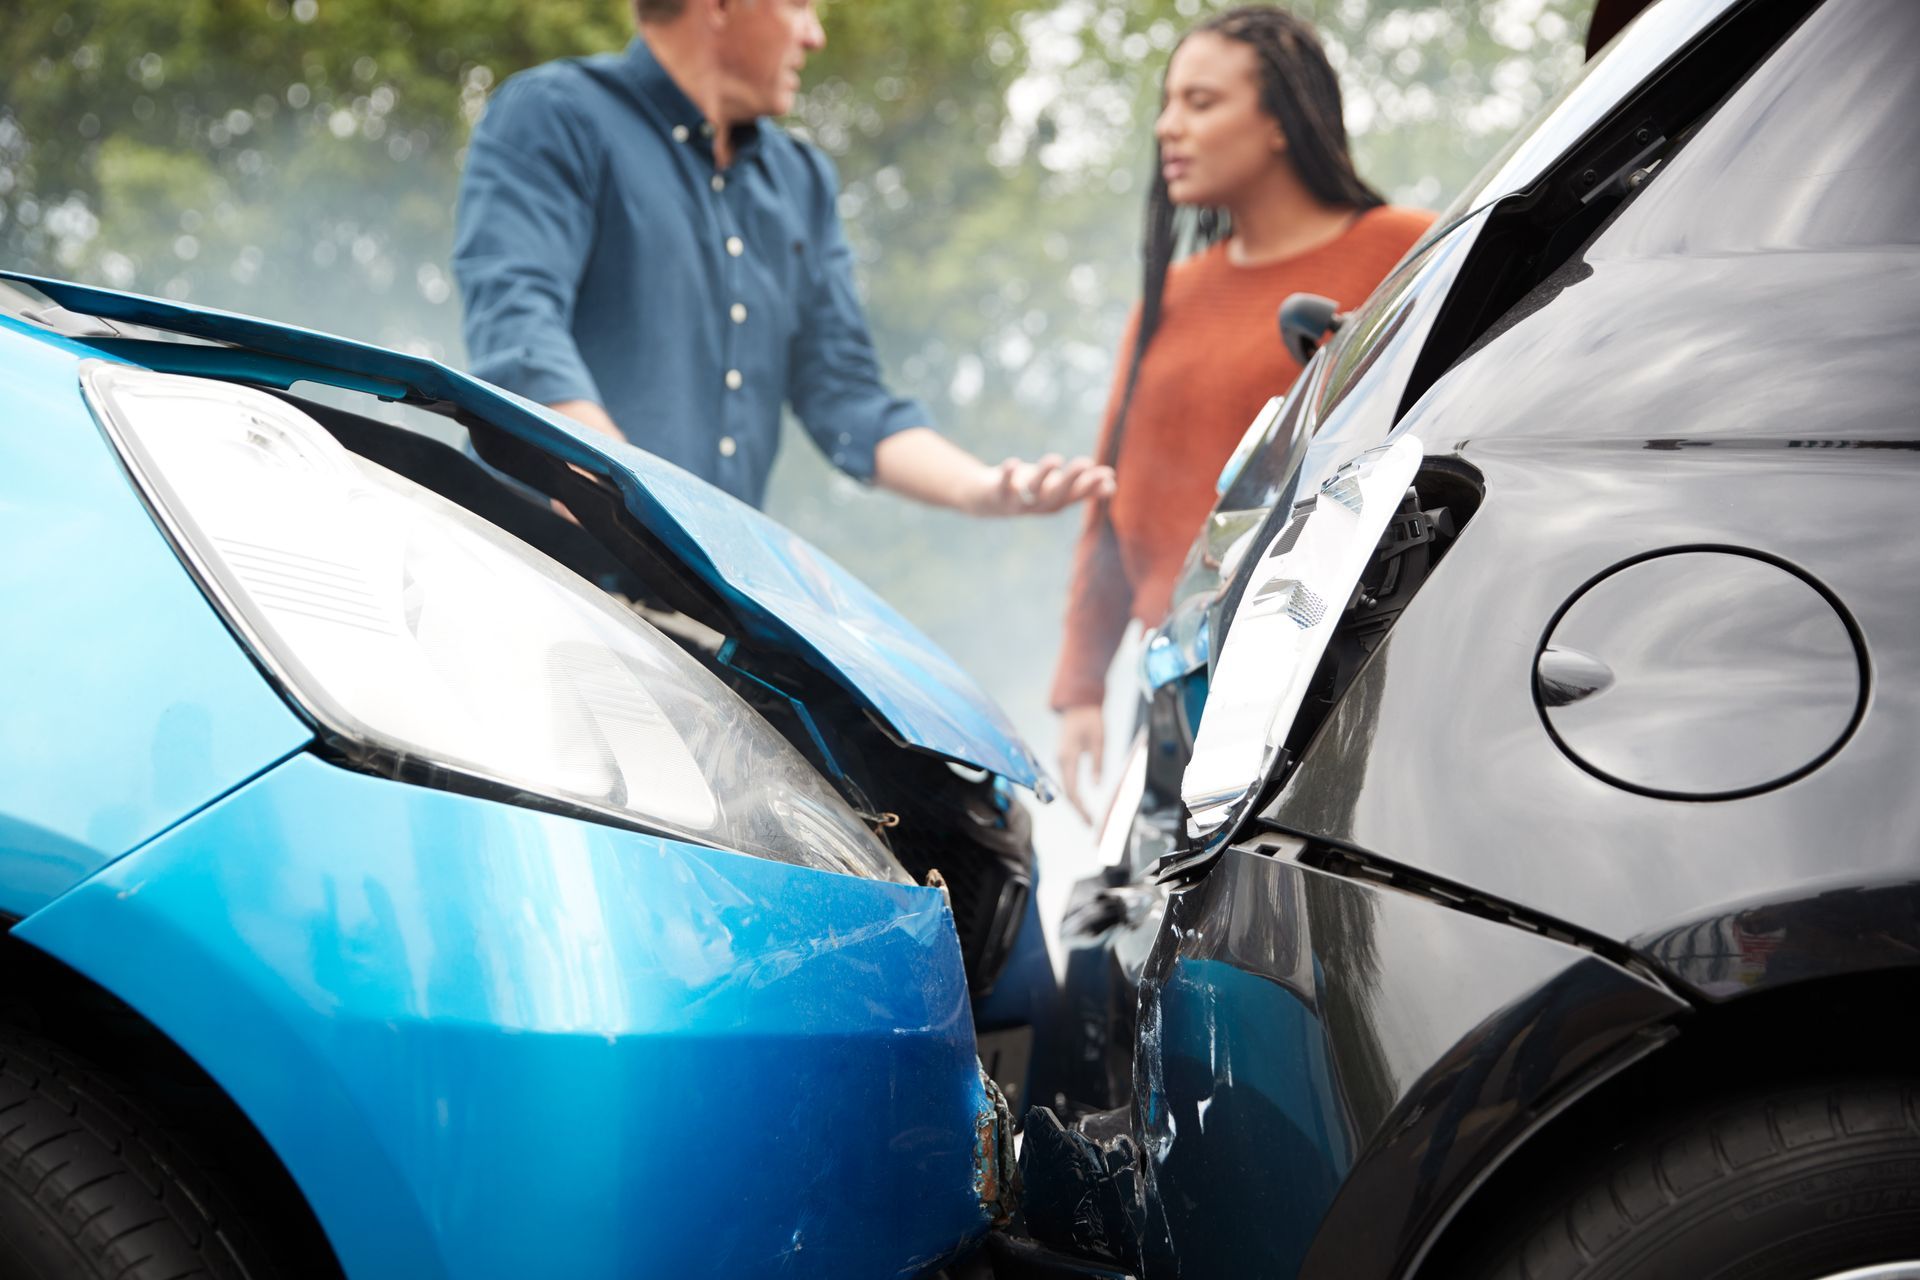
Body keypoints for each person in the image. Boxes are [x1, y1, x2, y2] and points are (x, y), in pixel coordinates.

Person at [453, 0, 1113, 517]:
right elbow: (520, 332)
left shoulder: (801, 182)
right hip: (528, 574)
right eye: (799, 5)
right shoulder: (555, 114)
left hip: (691, 619)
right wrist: (629, 505)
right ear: (718, 5)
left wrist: (982, 487)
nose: (815, 35)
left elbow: (845, 395)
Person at [1050, 5, 1434, 819]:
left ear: (1279, 122)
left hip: (1330, 688)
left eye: (1201, 102)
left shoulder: (1407, 252)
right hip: (1175, 696)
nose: (1167, 127)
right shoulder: (1171, 297)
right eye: (1167, 102)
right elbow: (1111, 495)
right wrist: (1082, 684)